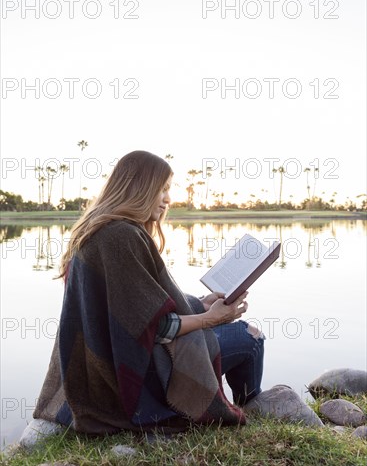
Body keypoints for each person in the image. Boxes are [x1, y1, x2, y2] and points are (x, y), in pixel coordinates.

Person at [33, 150, 265, 435]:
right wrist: (210, 319)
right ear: (139, 188)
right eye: (162, 189)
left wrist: (201, 304)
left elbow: (137, 307)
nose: (168, 198)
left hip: (108, 370)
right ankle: (252, 407)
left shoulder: (97, 231)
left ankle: (247, 405)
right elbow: (156, 328)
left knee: (231, 332)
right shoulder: (121, 237)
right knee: (250, 335)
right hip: (134, 380)